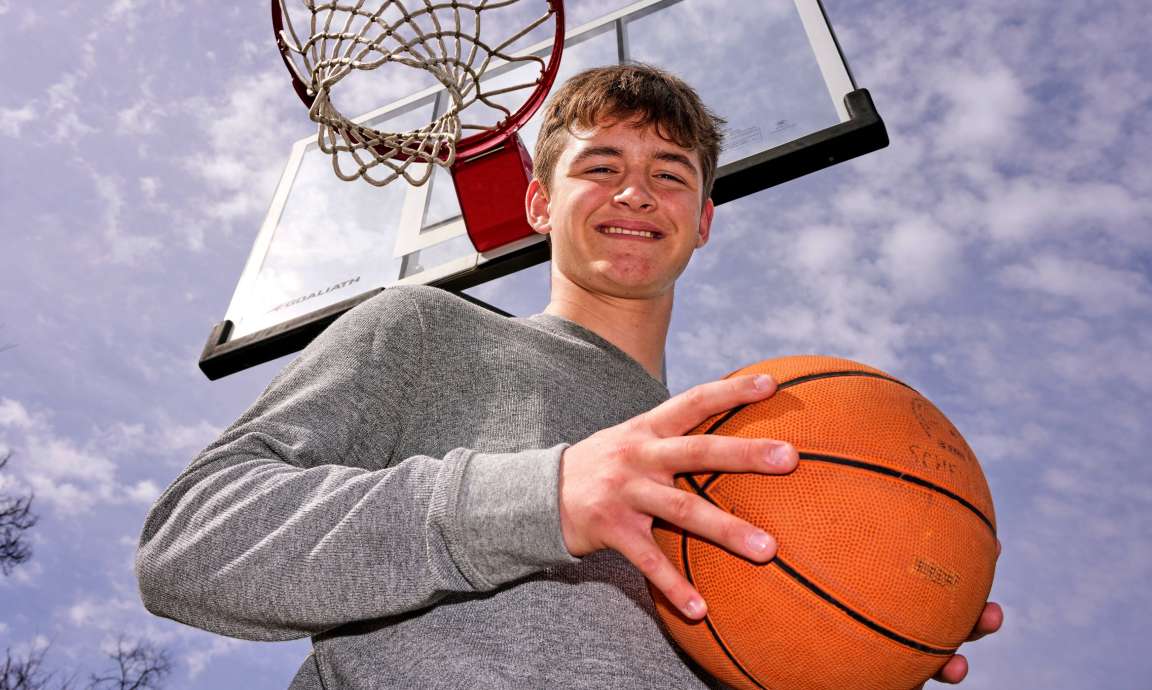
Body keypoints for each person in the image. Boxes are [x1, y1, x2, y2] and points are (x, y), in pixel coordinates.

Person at [137, 64, 1001, 689]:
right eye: (601, 168)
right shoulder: (423, 329)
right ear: (539, 203)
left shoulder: (745, 455)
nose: (635, 193)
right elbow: (189, 545)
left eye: (669, 175)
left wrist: (861, 637)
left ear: (702, 222)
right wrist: (543, 497)